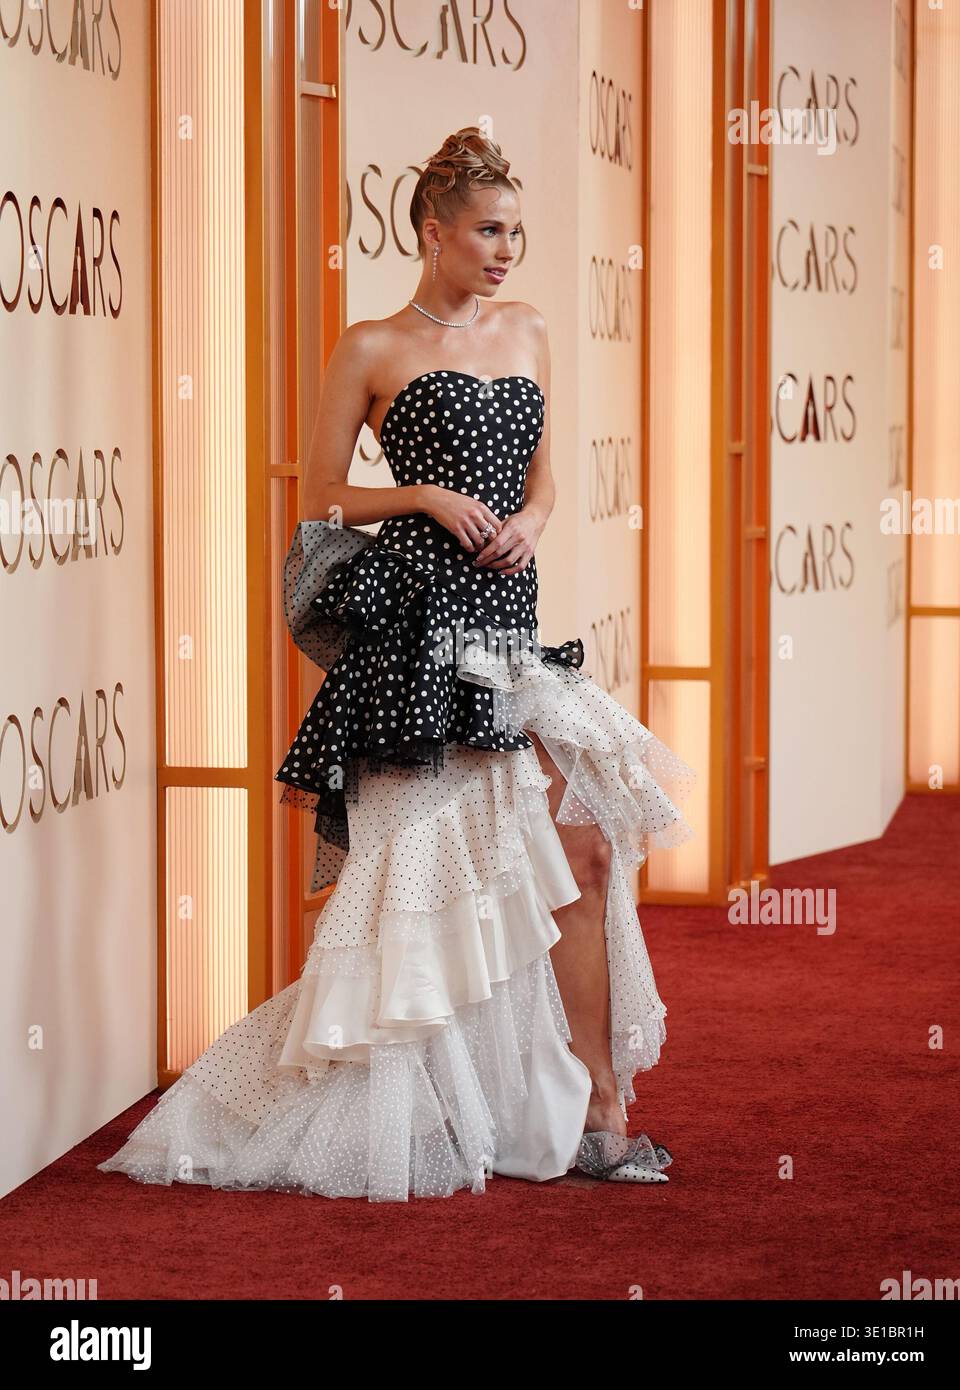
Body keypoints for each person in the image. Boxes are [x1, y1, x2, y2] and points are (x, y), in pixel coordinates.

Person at [98, 127, 695, 1203]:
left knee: (586, 854)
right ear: (432, 232)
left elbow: (547, 477)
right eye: (486, 231)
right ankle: (477, 1112)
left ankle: (600, 1110)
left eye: (515, 230)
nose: (505, 250)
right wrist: (420, 496)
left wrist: (532, 519)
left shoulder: (530, 331)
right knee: (427, 890)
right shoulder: (371, 345)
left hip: (508, 614)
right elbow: (316, 497)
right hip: (418, 630)